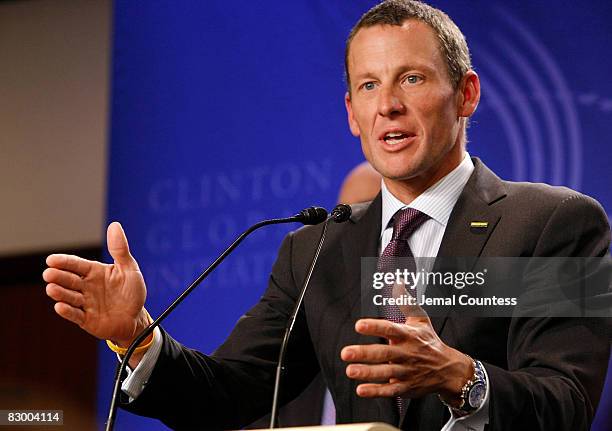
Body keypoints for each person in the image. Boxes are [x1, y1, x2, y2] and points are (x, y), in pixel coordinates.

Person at [43, 1, 610, 430]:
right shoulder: (317, 249)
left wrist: (460, 377)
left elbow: (566, 401)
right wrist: (138, 338)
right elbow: (230, 393)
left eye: (411, 78)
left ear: (466, 94)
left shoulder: (550, 224)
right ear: (352, 114)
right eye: (369, 85)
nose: (388, 103)